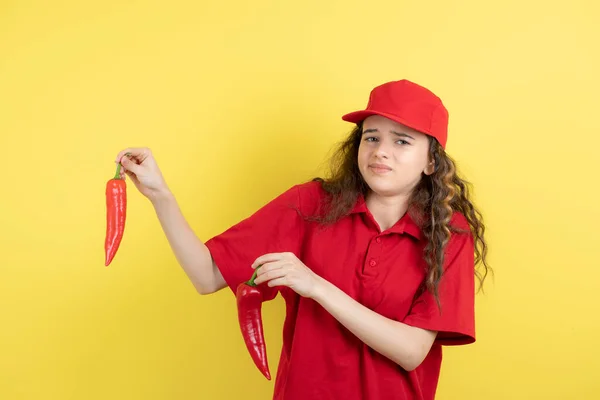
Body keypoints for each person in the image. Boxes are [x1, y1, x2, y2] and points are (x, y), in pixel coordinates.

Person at [114, 79, 491, 400]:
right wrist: (160, 195)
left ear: (431, 161)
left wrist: (315, 286)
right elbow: (206, 274)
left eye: (403, 141)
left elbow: (411, 351)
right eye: (371, 137)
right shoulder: (309, 205)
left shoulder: (449, 234)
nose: (380, 152)